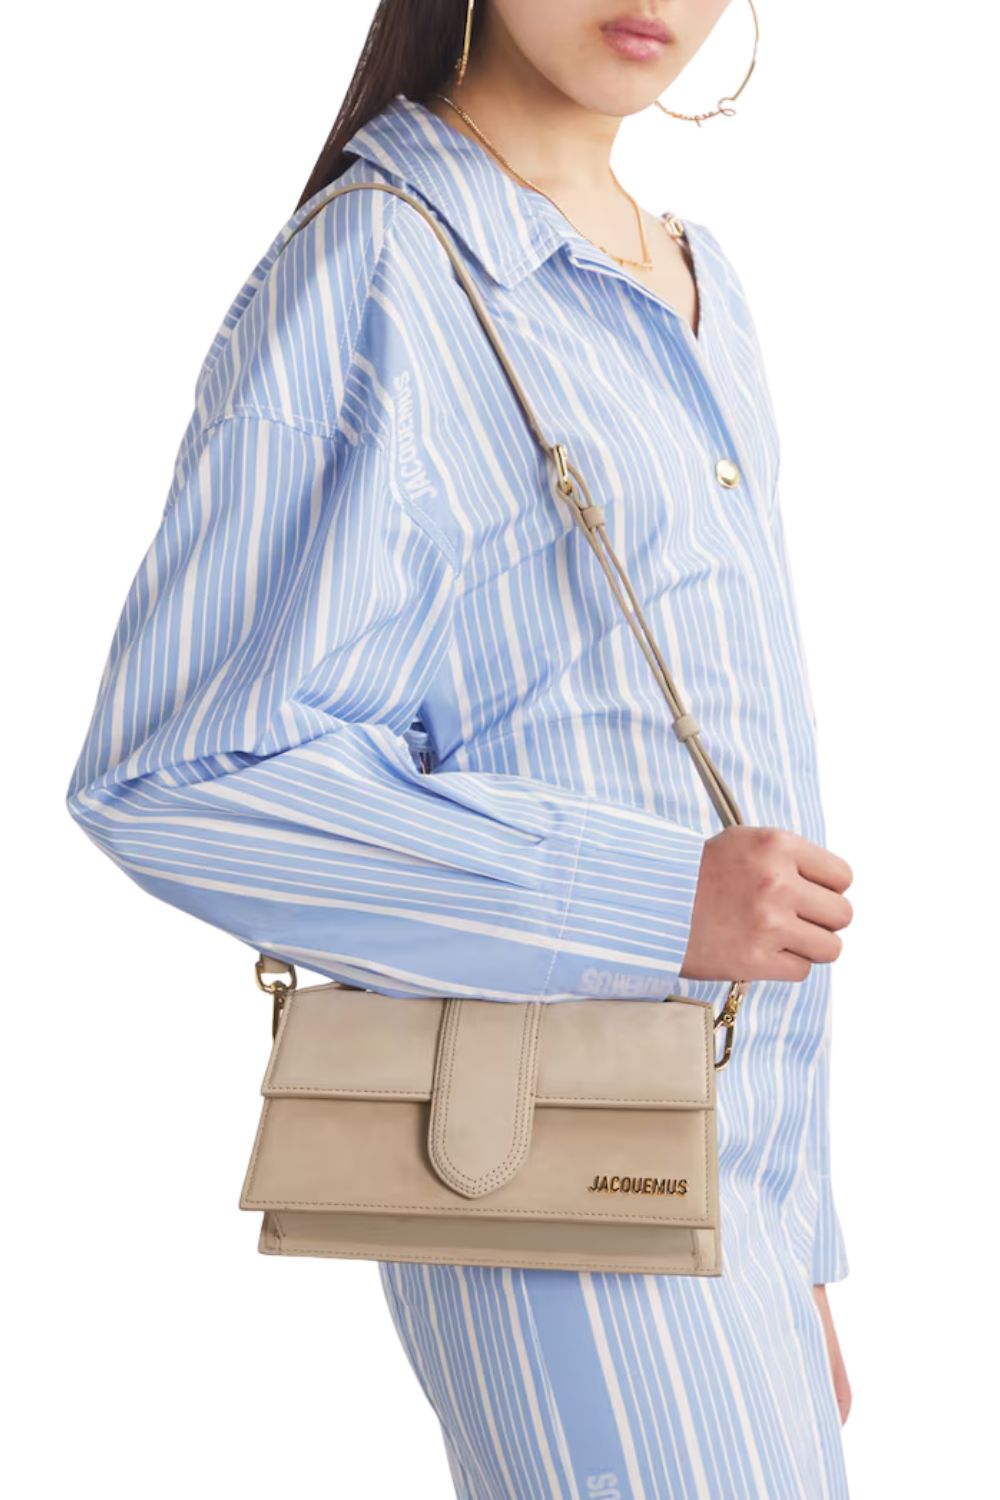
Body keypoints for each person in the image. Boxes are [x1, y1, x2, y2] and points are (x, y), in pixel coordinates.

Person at [65, 1, 856, 1494]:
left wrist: (795, 1230)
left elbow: (731, 751)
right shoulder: (380, 267)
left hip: (723, 1182)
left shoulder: (700, 282)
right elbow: (178, 774)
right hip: (549, 1163)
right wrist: (657, 899)